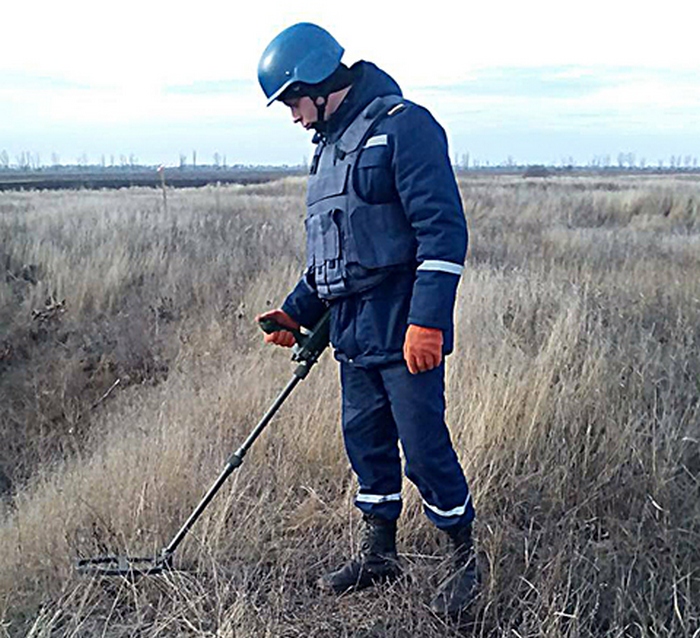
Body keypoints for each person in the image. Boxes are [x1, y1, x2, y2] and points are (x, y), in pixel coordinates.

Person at [256, 22, 477, 616]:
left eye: (292, 102)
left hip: (404, 331)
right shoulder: (329, 150)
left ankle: (464, 559)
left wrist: (427, 320)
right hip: (352, 335)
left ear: (318, 83)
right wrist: (295, 312)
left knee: (424, 451)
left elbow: (443, 233)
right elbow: (335, 256)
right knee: (367, 447)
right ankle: (378, 554)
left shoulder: (406, 127)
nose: (295, 118)